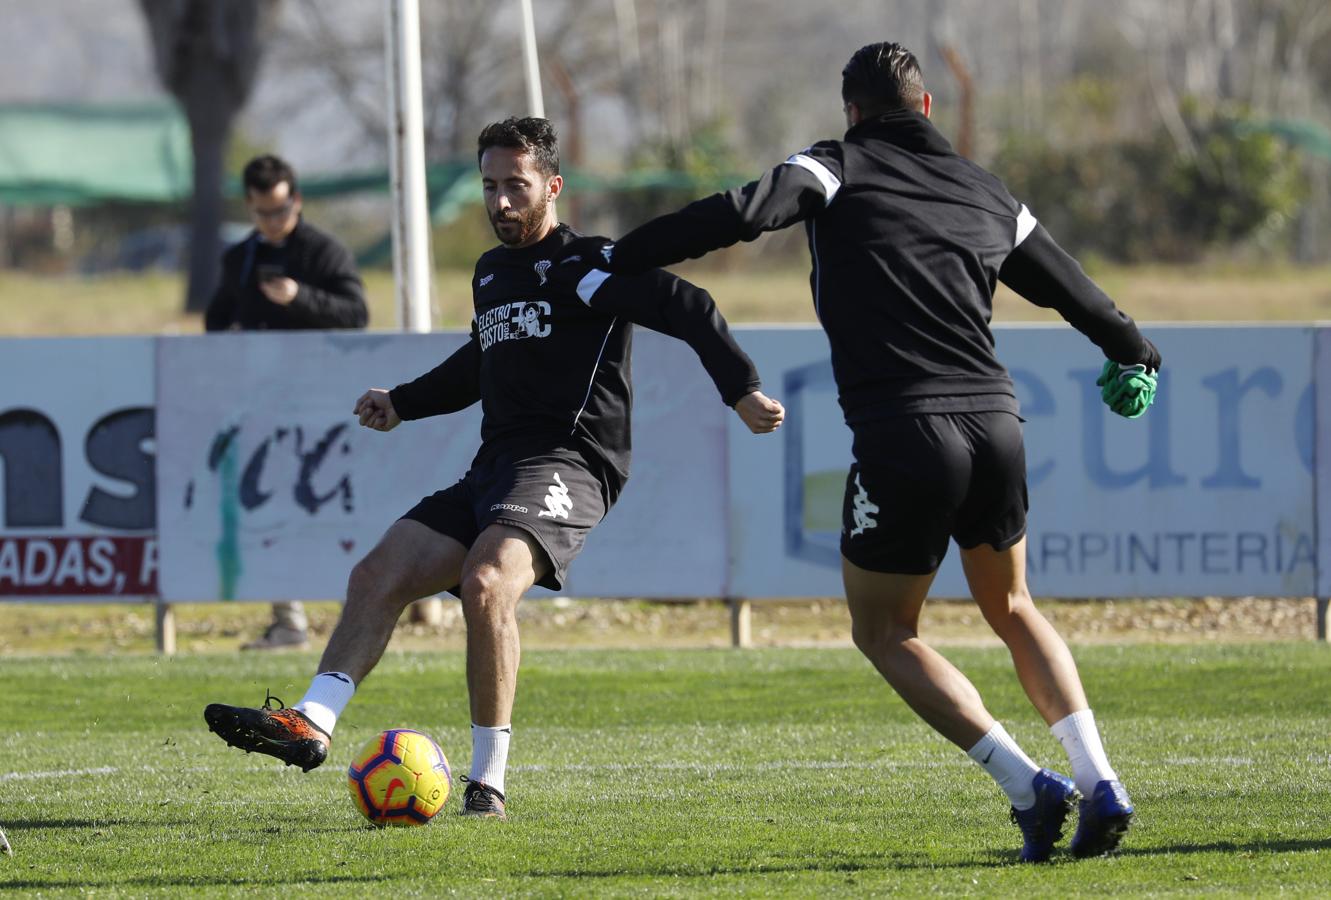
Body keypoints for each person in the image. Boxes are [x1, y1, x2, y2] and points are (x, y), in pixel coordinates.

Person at [554, 43, 1159, 862]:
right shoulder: (986, 191)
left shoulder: (836, 167)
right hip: (997, 425)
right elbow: (1070, 287)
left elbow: (738, 213)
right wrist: (1135, 351)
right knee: (1013, 606)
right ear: (928, 107)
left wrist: (618, 254)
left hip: (906, 435)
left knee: (882, 629)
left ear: (851, 111)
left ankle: (1029, 786)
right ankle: (1101, 781)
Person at [202, 117, 785, 818]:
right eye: (489, 186)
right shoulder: (491, 271)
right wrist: (402, 402)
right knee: (377, 573)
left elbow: (686, 306)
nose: (500, 202)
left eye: (516, 186)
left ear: (552, 187)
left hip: (572, 463)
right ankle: (312, 723)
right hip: (497, 468)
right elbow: (481, 360)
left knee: (485, 582)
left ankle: (488, 782)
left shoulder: (589, 267)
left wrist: (740, 388)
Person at [205, 154, 369, 651]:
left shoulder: (323, 251)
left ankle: (356, 616)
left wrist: (298, 297)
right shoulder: (241, 258)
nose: (271, 223)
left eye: (278, 211)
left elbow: (356, 313)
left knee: (327, 508)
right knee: (269, 508)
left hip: (321, 408)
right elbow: (216, 318)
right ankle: (288, 620)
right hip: (261, 406)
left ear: (295, 201)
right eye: (261, 213)